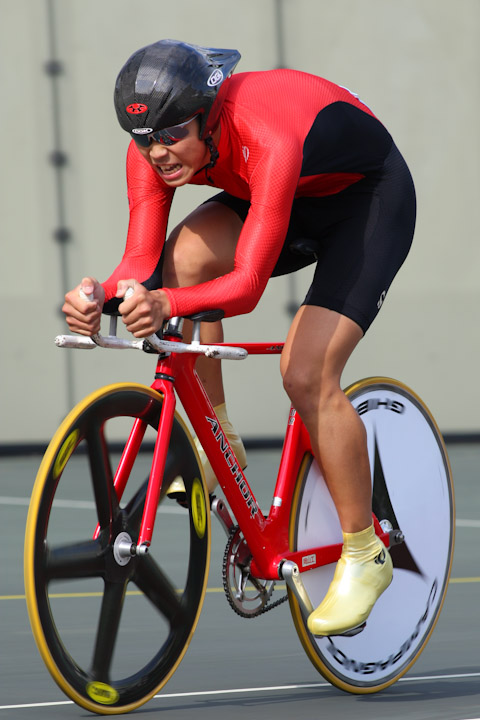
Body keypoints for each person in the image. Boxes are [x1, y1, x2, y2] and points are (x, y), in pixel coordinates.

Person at [62, 39, 416, 638]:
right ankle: (213, 438)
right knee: (178, 265)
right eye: (142, 137)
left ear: (207, 113)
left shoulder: (266, 135)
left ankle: (365, 552)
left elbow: (246, 286)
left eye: (172, 134)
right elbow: (141, 266)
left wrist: (164, 304)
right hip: (282, 197)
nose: (157, 152)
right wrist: (98, 298)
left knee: (305, 373)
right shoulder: (151, 150)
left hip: (366, 202)